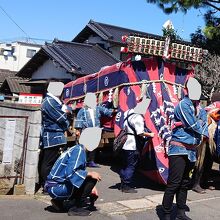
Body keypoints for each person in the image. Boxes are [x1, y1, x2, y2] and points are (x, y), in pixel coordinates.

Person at [162, 77, 205, 220]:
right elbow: (193, 124)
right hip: (178, 149)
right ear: (187, 89)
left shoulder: (200, 107)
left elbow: (203, 122)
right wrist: (196, 126)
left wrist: (195, 125)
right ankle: (166, 213)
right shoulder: (183, 105)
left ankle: (181, 212)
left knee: (185, 182)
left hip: (191, 150)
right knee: (174, 182)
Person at [44, 127, 102, 216]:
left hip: (52, 186)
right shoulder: (79, 150)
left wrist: (91, 188)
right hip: (57, 188)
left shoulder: (76, 148)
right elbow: (71, 173)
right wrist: (89, 174)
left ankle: (59, 202)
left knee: (89, 178)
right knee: (92, 178)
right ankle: (76, 208)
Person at [120, 96, 154, 193]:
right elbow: (140, 132)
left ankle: (123, 182)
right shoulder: (138, 117)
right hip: (132, 144)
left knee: (125, 164)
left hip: (124, 142)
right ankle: (126, 185)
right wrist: (150, 134)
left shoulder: (128, 112)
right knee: (131, 165)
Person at [39, 81, 70, 188]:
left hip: (54, 136)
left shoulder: (53, 101)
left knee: (51, 161)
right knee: (49, 162)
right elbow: (62, 118)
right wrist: (66, 115)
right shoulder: (50, 102)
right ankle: (47, 185)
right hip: (52, 136)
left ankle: (48, 183)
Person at [75, 92, 117, 168]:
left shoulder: (98, 108)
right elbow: (79, 120)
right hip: (86, 130)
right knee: (84, 146)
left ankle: (91, 161)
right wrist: (78, 130)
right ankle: (82, 161)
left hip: (96, 129)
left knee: (93, 146)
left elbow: (106, 111)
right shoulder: (82, 110)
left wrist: (115, 111)